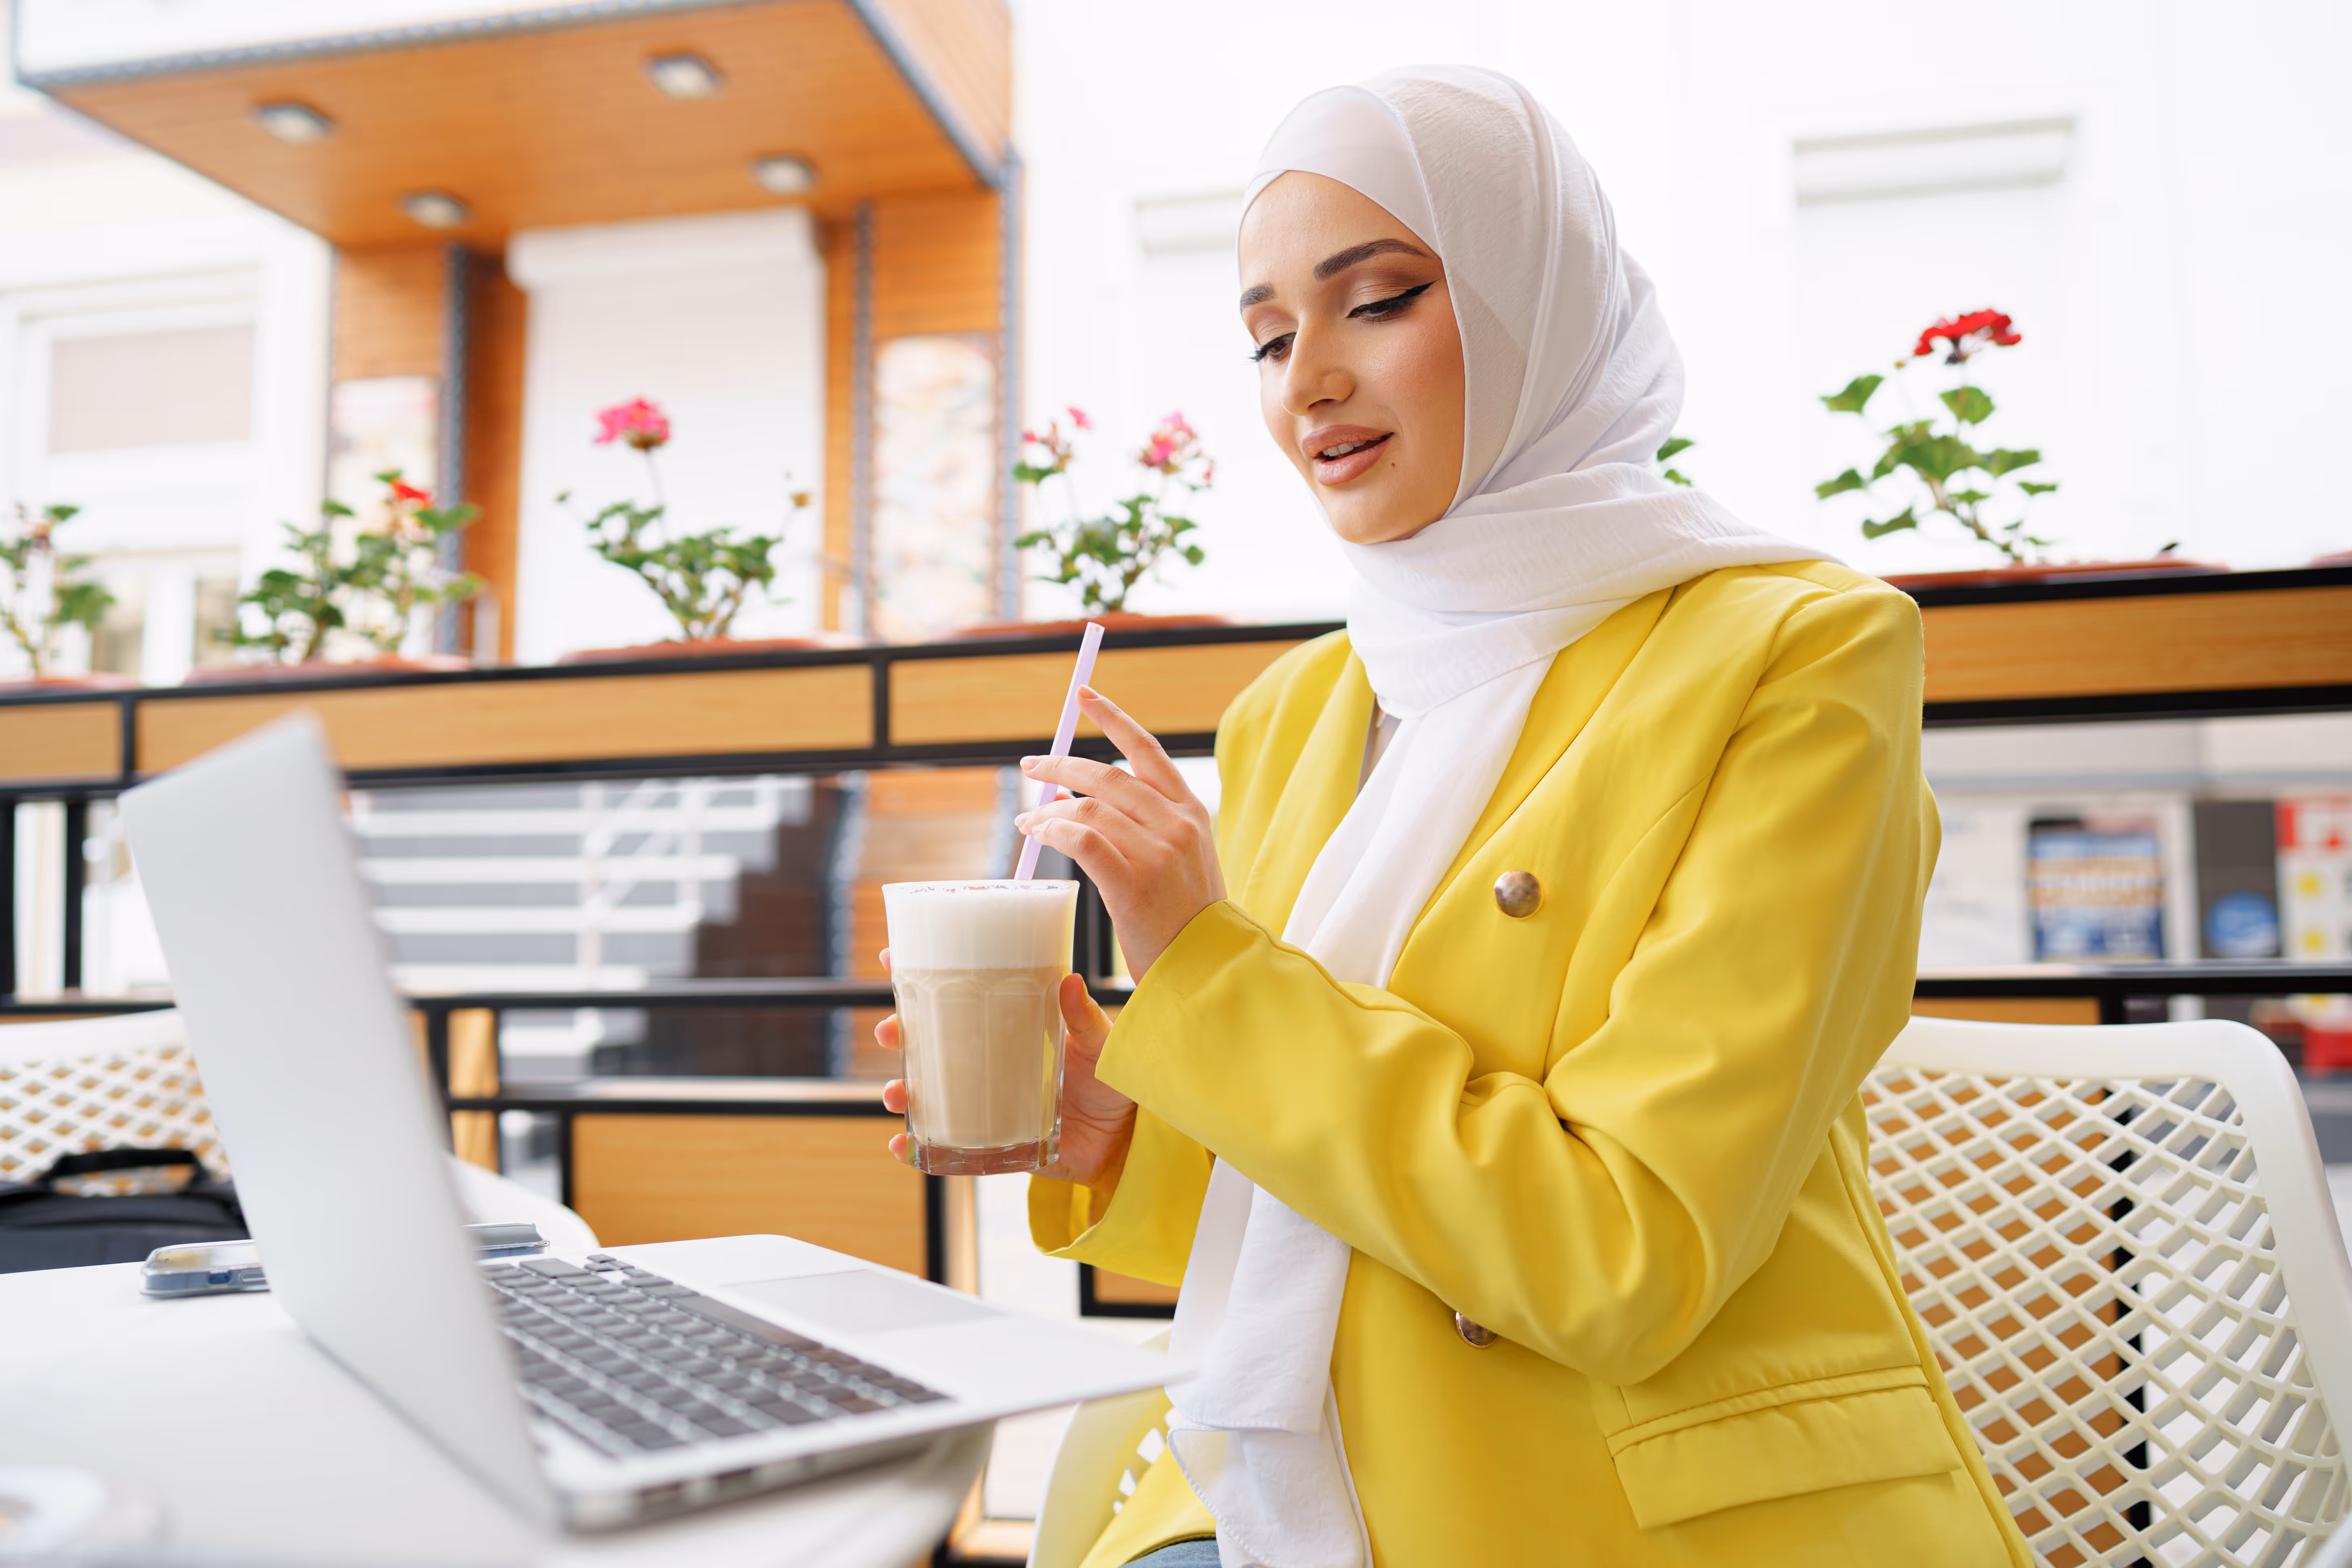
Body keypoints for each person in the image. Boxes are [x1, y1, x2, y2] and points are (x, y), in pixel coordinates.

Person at [879, 65, 2031, 1568]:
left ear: (1527, 302)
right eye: (1272, 336)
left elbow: (1620, 1255)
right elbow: (1302, 1221)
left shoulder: (1795, 652)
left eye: (1380, 300)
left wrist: (1208, 971)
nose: (1307, 384)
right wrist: (1124, 1131)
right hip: (1276, 1486)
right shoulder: (1301, 705)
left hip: (1618, 1515)